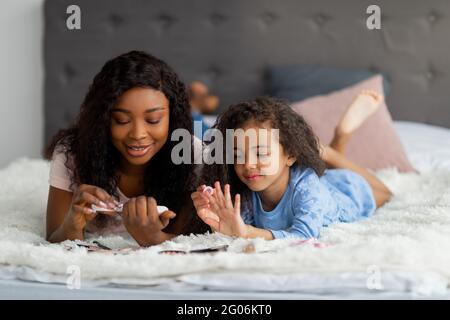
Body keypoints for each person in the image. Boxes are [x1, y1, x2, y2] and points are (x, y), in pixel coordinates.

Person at [45, 51, 208, 246]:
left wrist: (154, 238)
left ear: (172, 118)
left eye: (153, 120)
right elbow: (52, 241)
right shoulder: (71, 154)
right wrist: (71, 226)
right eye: (122, 120)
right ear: (103, 119)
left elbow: (196, 243)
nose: (138, 134)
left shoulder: (190, 154)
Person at [191, 92, 392, 240]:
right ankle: (328, 149)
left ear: (290, 155)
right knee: (325, 172)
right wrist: (217, 214)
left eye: (261, 153)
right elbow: (237, 228)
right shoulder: (246, 191)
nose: (248, 164)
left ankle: (338, 139)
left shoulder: (307, 188)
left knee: (386, 194)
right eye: (238, 155)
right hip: (319, 182)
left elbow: (303, 235)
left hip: (344, 192)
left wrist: (249, 233)